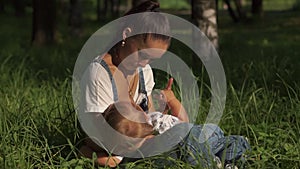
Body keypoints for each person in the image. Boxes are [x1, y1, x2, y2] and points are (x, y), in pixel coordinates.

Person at [78, 1, 173, 167]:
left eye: (151, 59)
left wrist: (164, 110)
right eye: (143, 55)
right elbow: (95, 139)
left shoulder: (145, 72)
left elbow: (147, 119)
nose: (145, 63)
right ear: (126, 35)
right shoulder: (99, 75)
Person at [104, 78, 251, 169]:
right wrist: (172, 101)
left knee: (190, 134)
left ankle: (222, 162)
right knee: (232, 142)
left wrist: (170, 103)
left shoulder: (153, 122)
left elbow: (183, 123)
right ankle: (223, 163)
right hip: (194, 139)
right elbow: (184, 123)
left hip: (198, 136)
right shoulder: (137, 144)